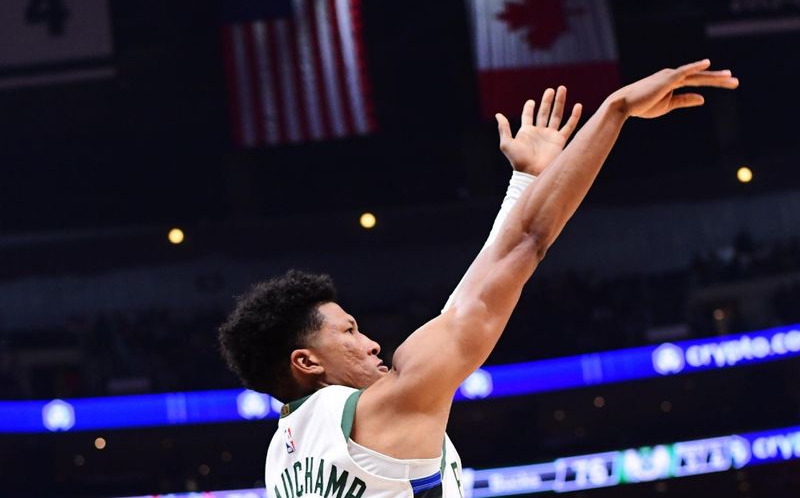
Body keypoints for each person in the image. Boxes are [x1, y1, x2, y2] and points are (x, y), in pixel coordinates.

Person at [218, 60, 738, 498]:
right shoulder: (389, 407)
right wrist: (614, 112)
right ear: (306, 361)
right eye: (349, 332)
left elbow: (469, 294)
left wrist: (527, 181)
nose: (373, 342)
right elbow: (526, 245)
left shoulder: (281, 458)